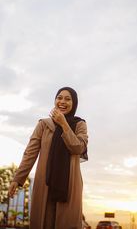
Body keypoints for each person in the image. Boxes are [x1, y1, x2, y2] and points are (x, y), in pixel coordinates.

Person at [8, 86, 88, 229]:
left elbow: (78, 148)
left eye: (68, 99)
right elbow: (30, 153)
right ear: (55, 101)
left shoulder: (80, 125)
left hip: (69, 185)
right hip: (45, 184)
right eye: (59, 98)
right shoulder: (43, 125)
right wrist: (18, 178)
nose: (62, 101)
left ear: (74, 103)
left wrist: (64, 124)